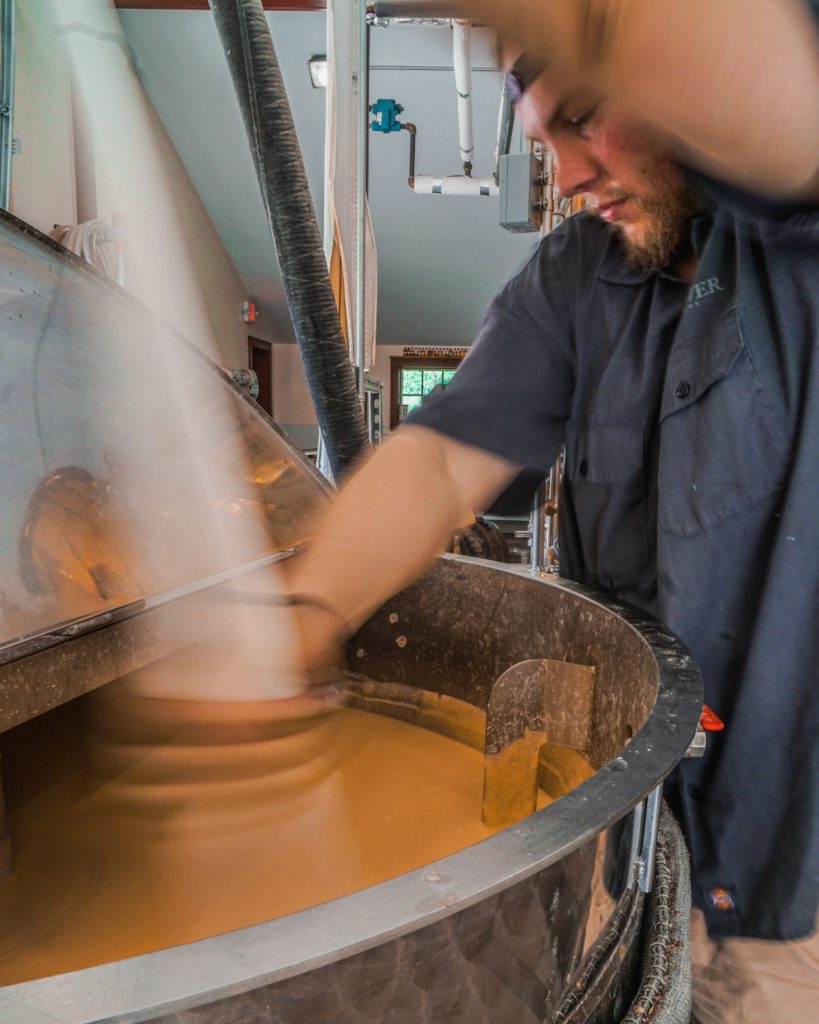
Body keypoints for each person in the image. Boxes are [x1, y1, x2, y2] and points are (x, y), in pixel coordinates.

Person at [283, 2, 819, 1020]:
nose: (570, 177)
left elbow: (784, 103)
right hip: (626, 845)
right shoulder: (580, 281)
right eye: (547, 140)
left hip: (795, 897)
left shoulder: (793, 236)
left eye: (587, 116)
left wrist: (582, 18)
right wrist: (304, 615)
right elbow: (439, 463)